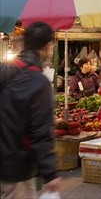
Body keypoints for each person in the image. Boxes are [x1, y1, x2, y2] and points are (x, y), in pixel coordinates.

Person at [0, 21, 61, 198]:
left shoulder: (4, 70)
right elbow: (40, 132)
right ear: (47, 46)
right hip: (16, 169)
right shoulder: (38, 82)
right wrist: (50, 173)